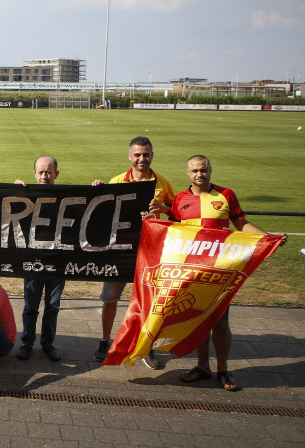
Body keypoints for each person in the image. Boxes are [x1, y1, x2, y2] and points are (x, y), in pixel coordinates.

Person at [156, 155, 284, 391]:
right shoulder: (181, 199)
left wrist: (267, 238)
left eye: (203, 170)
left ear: (210, 170)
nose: (199, 174)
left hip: (220, 269)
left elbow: (241, 223)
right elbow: (174, 230)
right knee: (199, 320)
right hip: (192, 270)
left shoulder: (226, 195)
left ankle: (223, 369)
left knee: (221, 324)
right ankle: (203, 367)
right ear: (187, 172)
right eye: (195, 170)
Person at [91, 136, 175, 368]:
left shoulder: (163, 183)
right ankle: (104, 341)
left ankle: (145, 345)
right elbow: (103, 211)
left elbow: (177, 213)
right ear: (130, 156)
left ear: (152, 156)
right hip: (121, 250)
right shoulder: (118, 181)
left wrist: (164, 208)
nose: (142, 158)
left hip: (151, 251)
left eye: (146, 154)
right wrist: (97, 191)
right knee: (109, 298)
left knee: (150, 301)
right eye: (137, 154)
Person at [13, 156, 65, 362]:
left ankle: (47, 343)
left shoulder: (67, 196)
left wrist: (97, 189)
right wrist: (13, 189)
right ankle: (27, 341)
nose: (45, 176)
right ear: (34, 173)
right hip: (33, 260)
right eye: (41, 172)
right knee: (30, 305)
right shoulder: (27, 195)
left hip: (58, 260)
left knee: (53, 306)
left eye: (49, 172)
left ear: (56, 174)